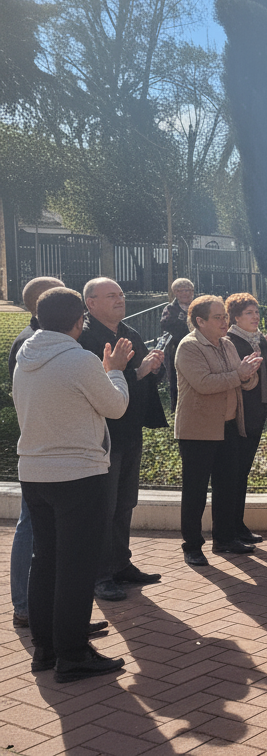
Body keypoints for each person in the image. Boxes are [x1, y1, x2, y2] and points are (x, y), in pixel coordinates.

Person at [14, 287, 132, 682]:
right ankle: (73, 654)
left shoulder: (24, 357)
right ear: (79, 319)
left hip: (34, 472)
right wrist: (114, 370)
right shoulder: (79, 359)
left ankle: (46, 649)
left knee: (45, 560)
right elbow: (115, 407)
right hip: (78, 474)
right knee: (76, 567)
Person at [77, 278, 167, 602]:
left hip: (131, 432)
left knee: (125, 502)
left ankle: (120, 564)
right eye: (111, 296)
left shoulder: (131, 334)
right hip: (103, 436)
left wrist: (155, 367)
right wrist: (138, 372)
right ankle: (101, 576)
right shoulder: (84, 338)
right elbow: (95, 384)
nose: (119, 300)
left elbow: (144, 376)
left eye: (121, 295)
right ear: (91, 303)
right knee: (105, 506)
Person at [175, 295, 262, 567]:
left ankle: (224, 539)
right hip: (198, 430)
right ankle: (192, 545)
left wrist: (249, 375)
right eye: (218, 317)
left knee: (227, 486)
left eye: (225, 316)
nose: (224, 321)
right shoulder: (188, 347)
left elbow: (243, 379)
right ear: (200, 321)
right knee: (196, 490)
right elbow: (204, 383)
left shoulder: (226, 344)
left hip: (229, 426)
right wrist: (240, 375)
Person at [8, 276, 63, 631]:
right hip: (45, 452)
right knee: (31, 528)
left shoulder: (34, 341)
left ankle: (42, 605)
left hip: (43, 450)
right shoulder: (31, 344)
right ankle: (25, 604)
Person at [224, 293, 267, 547]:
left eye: (257, 312)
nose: (255, 316)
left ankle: (239, 526)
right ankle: (230, 528)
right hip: (238, 416)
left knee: (243, 473)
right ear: (236, 317)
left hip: (258, 414)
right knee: (234, 473)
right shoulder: (231, 341)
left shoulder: (259, 340)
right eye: (249, 313)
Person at [160, 278, 195, 411]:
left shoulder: (197, 306)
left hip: (195, 348)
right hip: (176, 349)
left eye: (189, 290)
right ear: (175, 292)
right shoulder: (170, 309)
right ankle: (178, 409)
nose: (186, 293)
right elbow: (167, 326)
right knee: (176, 379)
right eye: (182, 290)